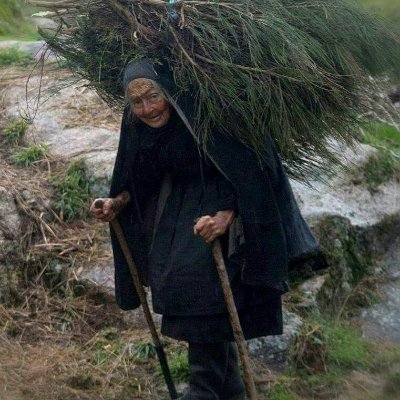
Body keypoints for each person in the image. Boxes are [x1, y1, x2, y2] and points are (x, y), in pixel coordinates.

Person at [90, 58, 319, 400]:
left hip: (223, 199)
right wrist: (116, 203)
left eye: (153, 97)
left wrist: (228, 214)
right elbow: (138, 175)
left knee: (202, 284)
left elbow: (252, 167)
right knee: (178, 278)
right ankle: (225, 389)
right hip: (182, 208)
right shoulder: (136, 123)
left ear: (167, 90)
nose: (148, 109)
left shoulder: (206, 111)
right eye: (137, 102)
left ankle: (202, 387)